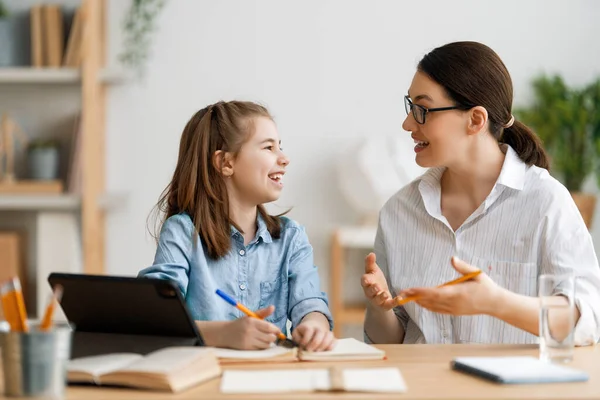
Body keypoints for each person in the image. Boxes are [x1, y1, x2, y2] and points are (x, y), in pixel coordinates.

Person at [361, 41, 600, 346]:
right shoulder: (399, 211)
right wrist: (380, 308)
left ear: (475, 120)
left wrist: (496, 302)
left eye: (422, 110)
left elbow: (586, 321)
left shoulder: (546, 202)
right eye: (410, 106)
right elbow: (390, 344)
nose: (408, 123)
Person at [139, 100, 335, 351]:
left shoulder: (291, 237)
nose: (284, 158)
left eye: (280, 147)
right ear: (226, 163)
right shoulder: (182, 233)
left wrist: (314, 327)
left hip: (271, 379)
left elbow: (310, 304)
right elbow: (156, 317)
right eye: (268, 147)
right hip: (204, 379)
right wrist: (223, 334)